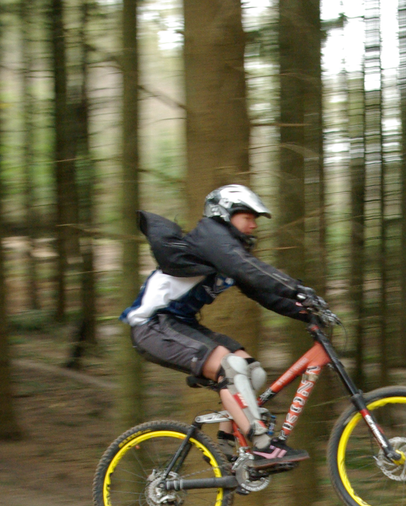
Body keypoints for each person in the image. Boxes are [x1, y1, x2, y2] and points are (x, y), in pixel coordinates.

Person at [122, 184, 313, 467]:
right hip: (153, 326)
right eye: (247, 217)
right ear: (225, 214)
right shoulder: (211, 236)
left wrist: (307, 311)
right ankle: (262, 446)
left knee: (252, 371)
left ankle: (226, 442)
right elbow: (244, 267)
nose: (253, 225)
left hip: (179, 325)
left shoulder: (227, 250)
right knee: (231, 367)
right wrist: (297, 288)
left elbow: (263, 292)